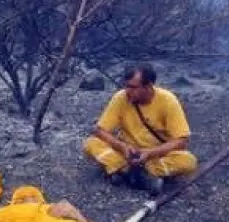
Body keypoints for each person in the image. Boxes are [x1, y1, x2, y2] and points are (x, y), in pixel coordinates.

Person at [82, 63, 198, 195]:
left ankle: (127, 171)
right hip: (127, 152)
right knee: (91, 143)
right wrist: (122, 146)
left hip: (156, 154)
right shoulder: (121, 98)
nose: (127, 91)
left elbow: (181, 140)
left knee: (188, 161)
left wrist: (149, 153)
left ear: (148, 86)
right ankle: (136, 174)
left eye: (133, 87)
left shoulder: (168, 101)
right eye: (126, 86)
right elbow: (100, 130)